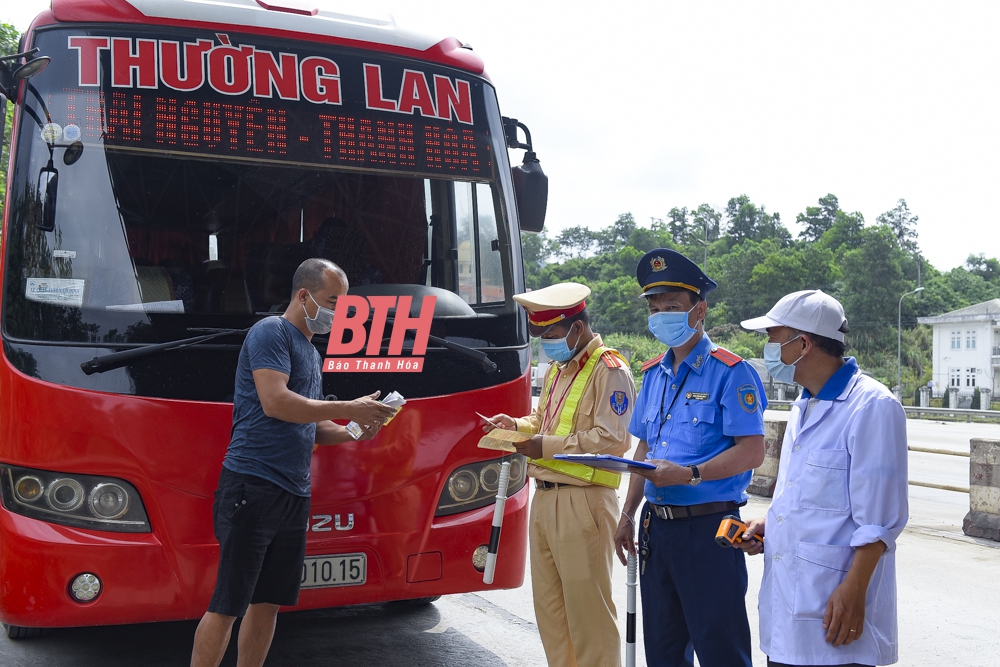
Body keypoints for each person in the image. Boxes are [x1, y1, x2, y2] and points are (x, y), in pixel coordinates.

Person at [190, 258, 397, 667]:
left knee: (267, 603)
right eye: (331, 302)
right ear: (303, 296)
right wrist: (348, 408)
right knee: (228, 603)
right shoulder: (271, 332)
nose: (338, 313)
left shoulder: (309, 350)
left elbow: (313, 427)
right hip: (252, 485)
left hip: (292, 493)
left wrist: (357, 428)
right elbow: (276, 402)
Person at [736, 290, 908, 667]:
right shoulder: (806, 404)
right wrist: (771, 526)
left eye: (773, 338)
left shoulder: (872, 406)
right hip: (788, 619)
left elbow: (878, 521)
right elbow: (814, 500)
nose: (768, 349)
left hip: (835, 613)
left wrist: (854, 590)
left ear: (804, 343)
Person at [612, 248, 767, 667]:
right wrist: (628, 513)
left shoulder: (731, 372)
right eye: (655, 307)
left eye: (673, 307)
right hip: (656, 531)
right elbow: (643, 447)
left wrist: (691, 474)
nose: (663, 315)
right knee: (662, 650)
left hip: (710, 530)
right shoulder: (653, 374)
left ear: (699, 310)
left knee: (720, 649)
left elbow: (753, 450)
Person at [486, 282, 635, 667]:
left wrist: (544, 445)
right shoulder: (558, 369)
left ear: (577, 329)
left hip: (584, 501)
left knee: (590, 619)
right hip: (546, 497)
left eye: (551, 335)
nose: (547, 344)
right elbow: (543, 420)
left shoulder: (610, 370)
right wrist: (517, 426)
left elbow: (612, 439)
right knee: (552, 615)